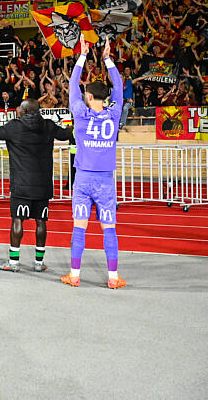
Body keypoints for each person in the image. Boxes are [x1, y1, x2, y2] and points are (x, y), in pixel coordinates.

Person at [0, 99, 72, 271]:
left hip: (21, 184)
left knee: (18, 220)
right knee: (41, 221)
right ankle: (39, 263)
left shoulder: (14, 126)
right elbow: (65, 134)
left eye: (19, 108)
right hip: (43, 183)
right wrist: (71, 127)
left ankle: (14, 262)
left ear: (23, 111)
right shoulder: (47, 125)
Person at [63, 37, 127, 289]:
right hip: (105, 181)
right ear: (105, 97)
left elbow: (71, 86)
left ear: (88, 96)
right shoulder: (114, 112)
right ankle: (113, 278)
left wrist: (82, 55)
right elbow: (119, 87)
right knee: (108, 228)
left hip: (82, 180)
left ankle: (75, 275)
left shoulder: (79, 113)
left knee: (79, 228)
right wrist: (108, 59)